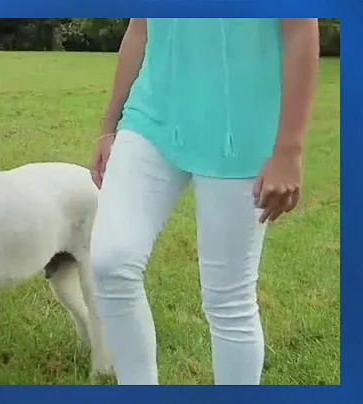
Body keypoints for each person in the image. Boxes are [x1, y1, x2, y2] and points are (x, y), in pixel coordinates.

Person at [89, 18, 319, 385]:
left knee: (228, 299)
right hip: (152, 118)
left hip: (239, 129)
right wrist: (109, 124)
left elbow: (300, 29)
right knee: (110, 262)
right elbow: (140, 29)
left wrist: (289, 150)